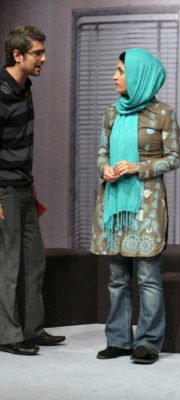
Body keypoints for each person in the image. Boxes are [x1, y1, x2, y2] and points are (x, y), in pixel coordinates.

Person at [91, 48, 180, 365]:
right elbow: (102, 152)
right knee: (117, 278)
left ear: (139, 75)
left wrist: (137, 167)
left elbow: (174, 158)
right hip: (114, 202)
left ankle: (148, 342)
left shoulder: (163, 114)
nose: (114, 76)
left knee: (147, 277)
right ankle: (118, 340)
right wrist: (104, 168)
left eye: (121, 71)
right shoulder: (111, 113)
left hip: (147, 204)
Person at [0, 26, 66, 356]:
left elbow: (19, 143)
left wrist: (32, 183)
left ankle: (32, 328)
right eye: (37, 53)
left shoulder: (25, 89)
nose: (43, 58)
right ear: (18, 55)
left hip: (24, 186)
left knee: (34, 260)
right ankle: (7, 334)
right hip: (4, 191)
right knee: (8, 263)